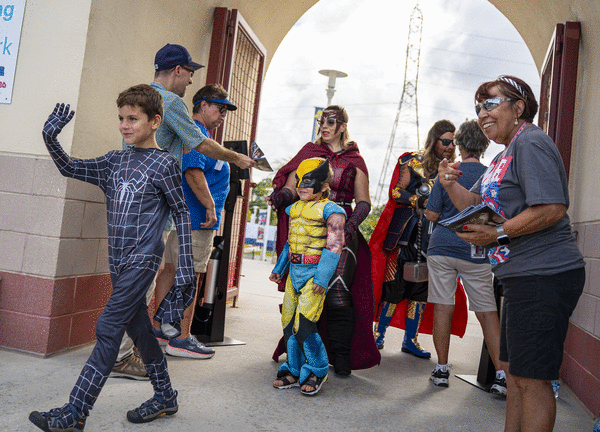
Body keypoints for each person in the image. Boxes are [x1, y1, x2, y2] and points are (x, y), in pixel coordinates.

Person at [30, 85, 195, 431]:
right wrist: (50, 137)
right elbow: (69, 168)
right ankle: (166, 396)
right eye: (121, 118)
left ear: (155, 122)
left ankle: (76, 411)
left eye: (133, 118)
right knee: (140, 331)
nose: (124, 125)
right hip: (118, 263)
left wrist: (185, 268)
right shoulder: (113, 161)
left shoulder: (165, 163)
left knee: (107, 327)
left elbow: (181, 213)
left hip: (143, 260)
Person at [438, 75, 585, 432]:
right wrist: (450, 184)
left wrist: (497, 233)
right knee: (516, 375)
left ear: (518, 107)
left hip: (545, 274)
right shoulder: (505, 154)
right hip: (520, 276)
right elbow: (474, 203)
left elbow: (552, 208)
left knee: (532, 379)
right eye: (478, 107)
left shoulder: (531, 143)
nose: (482, 113)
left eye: (491, 103)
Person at [113, 44, 255, 376]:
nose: (190, 81)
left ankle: (122, 349)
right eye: (189, 73)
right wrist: (237, 158)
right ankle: (120, 355)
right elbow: (201, 144)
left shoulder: (141, 99)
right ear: (177, 70)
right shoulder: (170, 102)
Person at [268, 105, 380, 376]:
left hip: (340, 227)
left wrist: (349, 228)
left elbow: (363, 202)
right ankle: (305, 355)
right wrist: (281, 197)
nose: (325, 126)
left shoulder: (355, 159)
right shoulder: (311, 154)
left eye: (332, 122)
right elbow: (290, 188)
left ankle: (341, 357)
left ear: (343, 126)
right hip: (308, 225)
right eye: (321, 121)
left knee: (338, 292)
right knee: (305, 290)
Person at [370, 120, 468, 358]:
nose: (449, 146)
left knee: (422, 290)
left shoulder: (452, 169)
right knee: (395, 286)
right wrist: (418, 201)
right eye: (445, 141)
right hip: (406, 234)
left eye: (452, 143)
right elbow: (396, 191)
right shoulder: (411, 161)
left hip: (434, 238)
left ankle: (410, 340)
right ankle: (378, 335)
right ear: (434, 139)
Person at [152, 84, 234, 358]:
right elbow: (193, 171)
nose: (223, 114)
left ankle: (164, 330)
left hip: (180, 217)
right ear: (202, 105)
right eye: (219, 108)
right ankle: (182, 338)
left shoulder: (198, 134)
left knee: (173, 271)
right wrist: (210, 207)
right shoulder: (197, 135)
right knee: (190, 276)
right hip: (197, 218)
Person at [424, 119, 506, 395]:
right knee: (486, 311)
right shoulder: (491, 174)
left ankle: (442, 370)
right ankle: (502, 375)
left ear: (458, 145)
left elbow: (432, 215)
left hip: (443, 248)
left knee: (443, 306)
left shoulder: (448, 172)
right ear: (484, 145)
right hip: (477, 250)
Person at [270, 158, 346, 396]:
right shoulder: (294, 208)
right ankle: (293, 369)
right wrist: (280, 268)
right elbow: (290, 243)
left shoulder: (332, 211)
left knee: (304, 325)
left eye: (309, 180)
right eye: (299, 180)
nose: (302, 185)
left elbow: (334, 246)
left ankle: (317, 369)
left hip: (314, 275)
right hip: (294, 272)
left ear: (324, 185)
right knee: (288, 324)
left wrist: (322, 278)